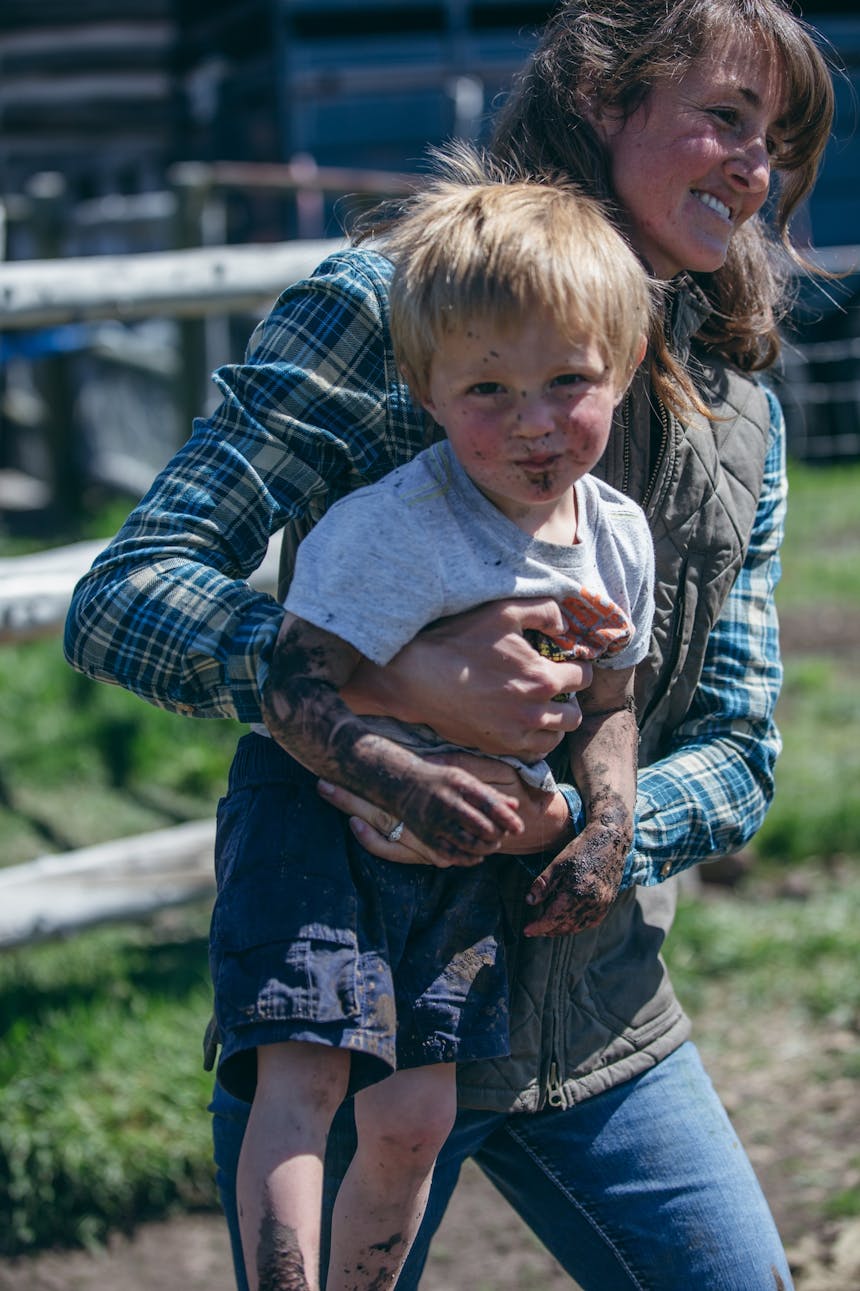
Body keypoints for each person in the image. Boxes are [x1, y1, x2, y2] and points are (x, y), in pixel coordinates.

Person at [64, 1, 836, 1287]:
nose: (758, 167)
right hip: (351, 993)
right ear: (599, 98)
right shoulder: (391, 303)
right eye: (723, 116)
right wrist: (371, 697)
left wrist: (581, 825)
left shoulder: (736, 417)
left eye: (782, 137)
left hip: (590, 1016)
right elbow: (129, 593)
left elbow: (741, 748)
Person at [216, 169, 656, 1291]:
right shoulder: (391, 527)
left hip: (462, 843)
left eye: (568, 380)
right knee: (306, 1079)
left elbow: (608, 699)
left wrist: (603, 824)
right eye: (486, 389)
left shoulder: (615, 539)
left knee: (413, 1111)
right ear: (423, 386)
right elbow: (292, 688)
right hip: (318, 814)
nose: (533, 423)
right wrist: (398, 776)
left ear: (624, 367)